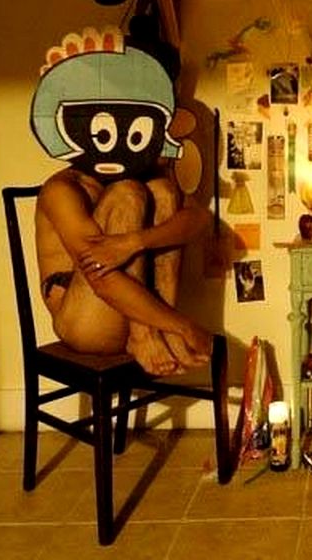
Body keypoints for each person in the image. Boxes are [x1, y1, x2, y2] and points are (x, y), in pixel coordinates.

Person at [30, 27, 214, 376]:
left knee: (163, 191)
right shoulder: (62, 189)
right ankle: (146, 334)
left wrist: (134, 241)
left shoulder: (147, 176)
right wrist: (183, 325)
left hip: (138, 309)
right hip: (84, 322)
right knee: (128, 192)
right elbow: (101, 278)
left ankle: (155, 332)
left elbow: (198, 220)